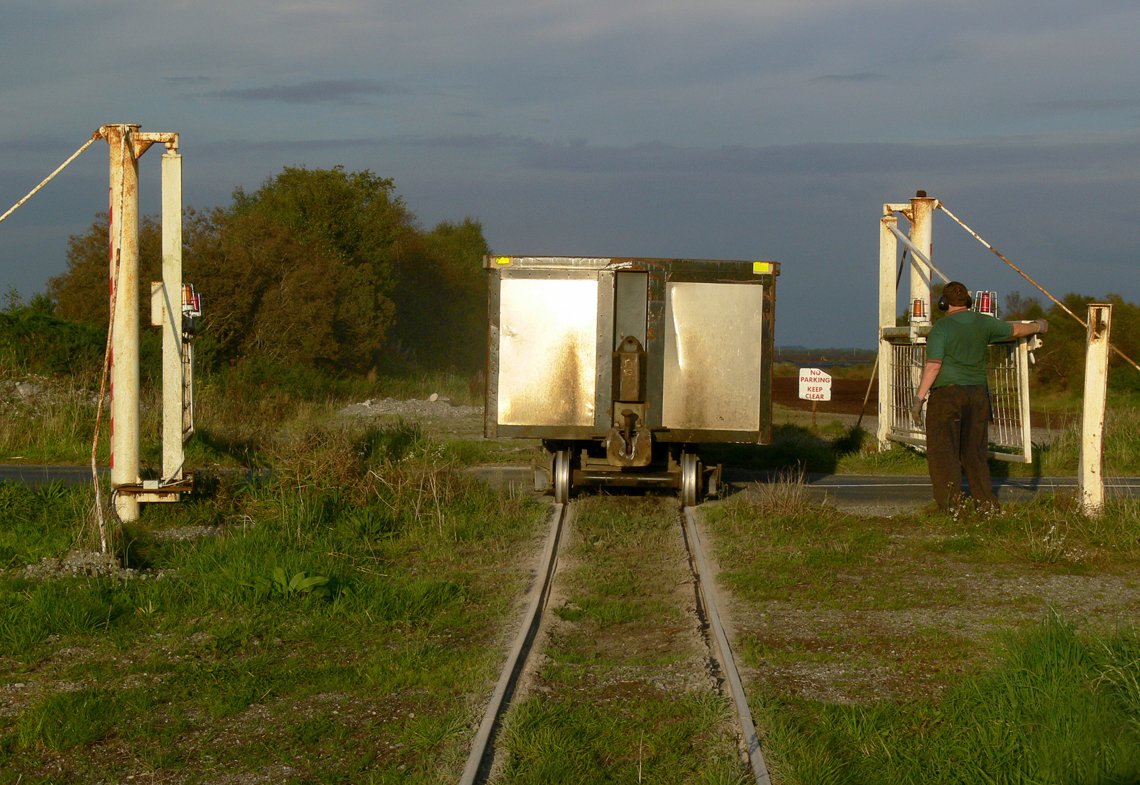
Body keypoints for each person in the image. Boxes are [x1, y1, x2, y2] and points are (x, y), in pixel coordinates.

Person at [911, 281, 1047, 513]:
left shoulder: (941, 329)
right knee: (975, 452)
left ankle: (953, 505)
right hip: (977, 394)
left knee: (944, 452)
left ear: (943, 303)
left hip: (947, 396)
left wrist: (919, 398)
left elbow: (934, 366)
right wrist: (1038, 325)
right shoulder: (983, 322)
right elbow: (1014, 330)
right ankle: (986, 503)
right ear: (969, 302)